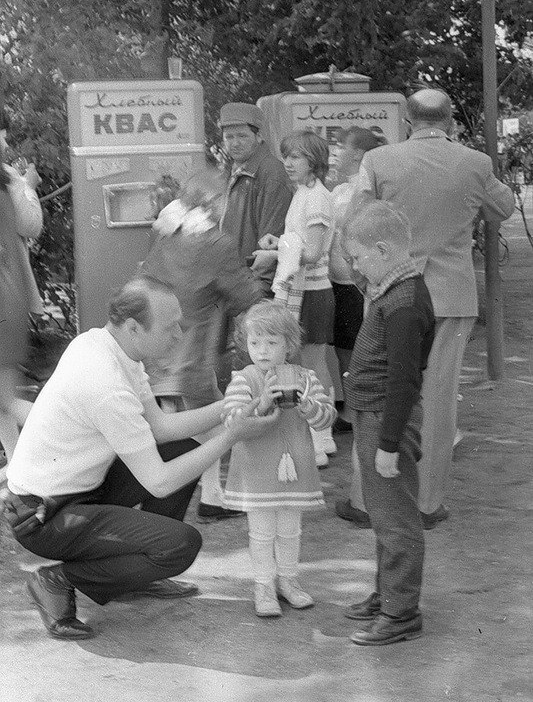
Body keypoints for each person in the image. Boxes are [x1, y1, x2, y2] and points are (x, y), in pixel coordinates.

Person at [3, 277, 279, 640]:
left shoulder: (108, 346)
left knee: (183, 450)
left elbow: (161, 428)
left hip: (81, 490)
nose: (179, 334)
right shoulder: (105, 382)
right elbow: (158, 481)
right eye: (170, 327)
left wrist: (230, 407)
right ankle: (55, 580)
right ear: (134, 328)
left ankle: (135, 574)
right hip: (43, 517)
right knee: (180, 545)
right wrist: (231, 436)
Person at [356, 88, 515, 528]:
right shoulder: (475, 163)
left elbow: (357, 223)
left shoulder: (378, 162)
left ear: (409, 122)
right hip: (449, 295)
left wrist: (363, 281)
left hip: (392, 291)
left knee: (379, 391)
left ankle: (368, 499)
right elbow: (502, 207)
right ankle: (426, 503)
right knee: (439, 400)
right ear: (449, 123)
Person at [139, 168, 262, 521]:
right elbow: (244, 296)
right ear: (215, 203)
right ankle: (203, 500)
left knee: (187, 425)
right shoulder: (215, 243)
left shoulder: (166, 230)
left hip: (154, 343)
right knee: (209, 424)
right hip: (191, 349)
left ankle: (212, 497)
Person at [341, 202, 435, 645]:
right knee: (383, 512)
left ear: (381, 250)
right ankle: (388, 595)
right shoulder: (392, 285)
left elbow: (403, 379)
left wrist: (389, 444)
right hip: (374, 415)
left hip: (385, 418)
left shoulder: (403, 301)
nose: (356, 266)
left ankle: (401, 613)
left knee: (396, 517)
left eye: (359, 257)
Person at [222, 301, 335, 617]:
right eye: (254, 342)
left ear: (290, 344)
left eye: (272, 342)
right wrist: (260, 403)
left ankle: (288, 581)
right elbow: (232, 420)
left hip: (295, 468)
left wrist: (308, 406)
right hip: (257, 471)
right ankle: (263, 585)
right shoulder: (244, 379)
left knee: (290, 529)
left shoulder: (306, 377)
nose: (262, 350)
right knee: (260, 531)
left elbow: (327, 418)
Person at [258, 130, 336, 468]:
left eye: (296, 157)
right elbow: (302, 241)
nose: (288, 163)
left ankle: (322, 438)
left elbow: (315, 250)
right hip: (303, 290)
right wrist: (281, 243)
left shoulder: (317, 196)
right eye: (286, 156)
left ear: (314, 161)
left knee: (313, 365)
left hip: (314, 292)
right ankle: (321, 436)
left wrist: (279, 254)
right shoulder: (303, 194)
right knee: (305, 363)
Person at [329, 126, 386, 443]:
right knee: (343, 350)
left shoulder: (364, 191)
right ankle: (352, 407)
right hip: (338, 282)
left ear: (359, 155)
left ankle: (355, 411)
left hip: (356, 283)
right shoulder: (338, 191)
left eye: (340, 147)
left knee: (355, 350)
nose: (334, 153)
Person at [218, 102, 292, 295]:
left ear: (259, 136)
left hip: (252, 286)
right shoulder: (233, 169)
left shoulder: (271, 174)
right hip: (234, 281)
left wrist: (257, 290)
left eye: (242, 136)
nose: (235, 143)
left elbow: (270, 241)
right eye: (229, 137)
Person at [0, 140, 35, 472]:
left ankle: (69, 432)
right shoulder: (9, 183)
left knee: (4, 399)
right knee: (2, 400)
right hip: (10, 296)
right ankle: (17, 465)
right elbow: (30, 225)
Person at [0, 108, 44, 320]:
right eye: (3, 136)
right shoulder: (7, 177)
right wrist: (29, 186)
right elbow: (30, 225)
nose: (6, 145)